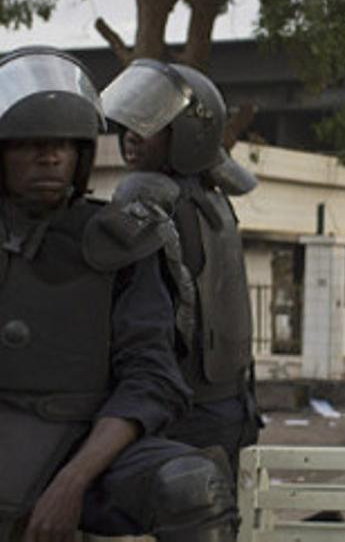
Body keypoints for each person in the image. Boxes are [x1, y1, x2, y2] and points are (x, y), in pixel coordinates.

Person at [0, 47, 237, 540]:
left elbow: (151, 380)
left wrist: (73, 482)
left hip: (85, 442)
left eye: (63, 142)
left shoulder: (124, 242)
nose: (50, 155)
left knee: (192, 487)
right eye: (29, 142)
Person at [100, 59, 261, 474]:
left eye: (151, 124)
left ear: (189, 135)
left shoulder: (147, 194)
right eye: (130, 122)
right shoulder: (213, 195)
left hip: (181, 410)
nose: (132, 135)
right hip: (231, 401)